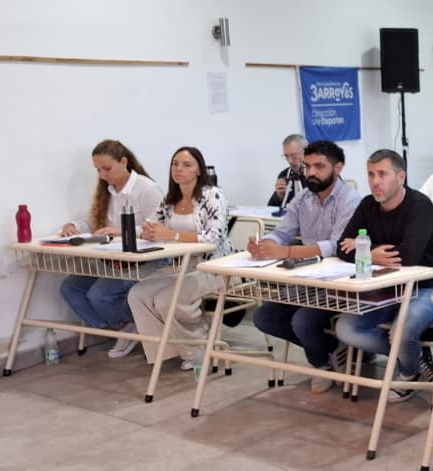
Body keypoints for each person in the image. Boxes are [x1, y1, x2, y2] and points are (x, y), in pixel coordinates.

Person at [334, 150, 433, 402]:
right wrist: (372, 254)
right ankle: (414, 355)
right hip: (390, 287)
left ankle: (408, 373)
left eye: (382, 174)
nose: (375, 181)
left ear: (401, 177)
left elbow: (407, 256)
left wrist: (365, 250)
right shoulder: (368, 205)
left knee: (401, 331)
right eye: (371, 174)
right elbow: (341, 247)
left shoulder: (419, 205)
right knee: (346, 328)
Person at [250, 140, 362, 394]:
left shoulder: (351, 199)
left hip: (338, 283)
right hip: (307, 279)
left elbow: (336, 246)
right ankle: (329, 351)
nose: (311, 172)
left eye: (319, 167)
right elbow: (282, 233)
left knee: (302, 321)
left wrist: (286, 252)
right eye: (308, 166)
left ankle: (319, 363)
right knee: (263, 317)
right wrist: (264, 244)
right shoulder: (302, 198)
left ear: (338, 168)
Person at [127, 147, 232, 370]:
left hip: (214, 266)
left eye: (186, 165)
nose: (179, 169)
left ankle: (198, 346)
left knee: (166, 300)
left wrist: (171, 235)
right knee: (137, 294)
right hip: (180, 265)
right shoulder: (170, 199)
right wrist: (145, 232)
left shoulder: (213, 195)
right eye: (175, 164)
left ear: (199, 170)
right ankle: (170, 351)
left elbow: (214, 237)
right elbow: (150, 225)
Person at [58, 140, 164, 358]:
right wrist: (72, 226)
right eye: (98, 170)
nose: (102, 175)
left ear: (123, 162)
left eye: (107, 168)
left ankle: (127, 325)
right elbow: (91, 222)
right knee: (70, 287)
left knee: (99, 294)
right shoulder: (107, 190)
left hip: (144, 261)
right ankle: (121, 327)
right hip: (113, 260)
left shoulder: (147, 189)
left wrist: (120, 231)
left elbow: (160, 229)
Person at [267, 133, 308, 208]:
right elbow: (270, 208)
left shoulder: (318, 173)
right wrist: (280, 196)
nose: (290, 161)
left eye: (294, 156)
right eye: (286, 156)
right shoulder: (285, 174)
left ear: (306, 152)